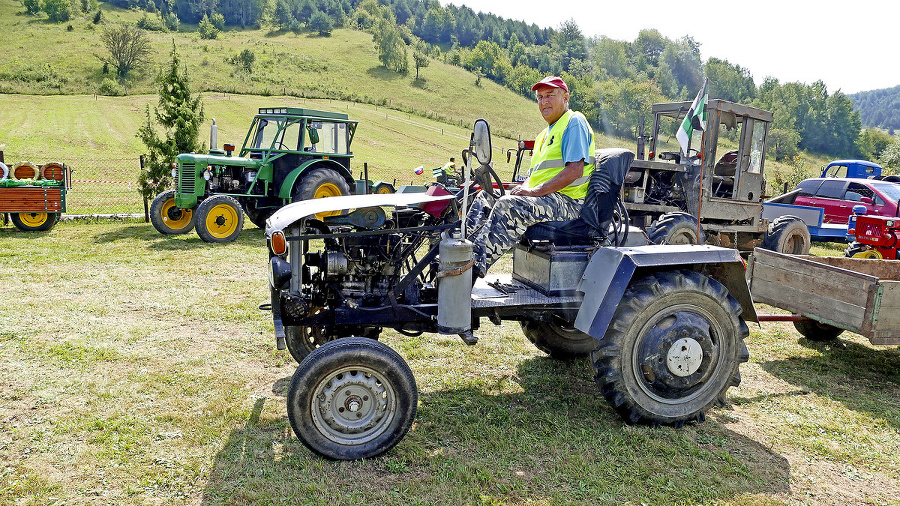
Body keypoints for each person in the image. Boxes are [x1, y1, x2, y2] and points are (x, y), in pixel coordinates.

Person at [465, 76, 596, 279]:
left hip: (568, 203)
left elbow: (574, 170)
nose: (544, 102)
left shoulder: (574, 122)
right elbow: (533, 177)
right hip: (547, 198)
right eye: (540, 97)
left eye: (550, 95)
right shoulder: (544, 135)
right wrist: (519, 190)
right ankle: (463, 251)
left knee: (508, 205)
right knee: (484, 197)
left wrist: (533, 192)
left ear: (565, 97)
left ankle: (471, 270)